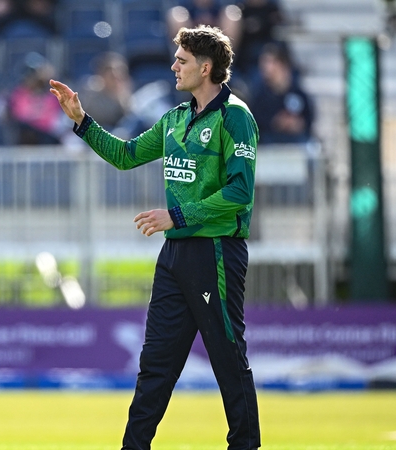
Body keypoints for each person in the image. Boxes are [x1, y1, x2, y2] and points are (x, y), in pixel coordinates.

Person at [50, 25, 261, 450]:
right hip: (175, 257)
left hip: (216, 253)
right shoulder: (175, 119)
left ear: (206, 67)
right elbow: (125, 157)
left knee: (227, 357)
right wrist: (82, 122)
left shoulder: (235, 116)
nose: (173, 66)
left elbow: (239, 193)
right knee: (155, 365)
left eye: (182, 60)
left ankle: (245, 445)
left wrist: (175, 216)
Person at [247, 42, 314, 144]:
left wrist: (298, 124)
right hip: (269, 145)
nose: (266, 68)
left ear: (283, 65)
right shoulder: (259, 97)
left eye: (271, 62)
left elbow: (308, 120)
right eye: (264, 62)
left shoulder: (299, 94)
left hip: (296, 144)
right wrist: (276, 122)